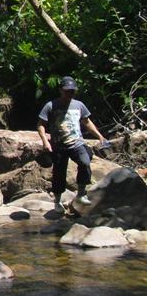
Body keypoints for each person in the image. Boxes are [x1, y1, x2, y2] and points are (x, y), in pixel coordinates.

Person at [36, 76, 107, 209]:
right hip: (58, 145)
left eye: (72, 91)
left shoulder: (79, 105)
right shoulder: (50, 105)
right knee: (59, 173)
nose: (70, 94)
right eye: (67, 91)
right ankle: (57, 202)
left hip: (77, 143)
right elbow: (40, 125)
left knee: (85, 162)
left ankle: (81, 193)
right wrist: (45, 141)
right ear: (60, 90)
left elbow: (86, 122)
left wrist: (99, 136)